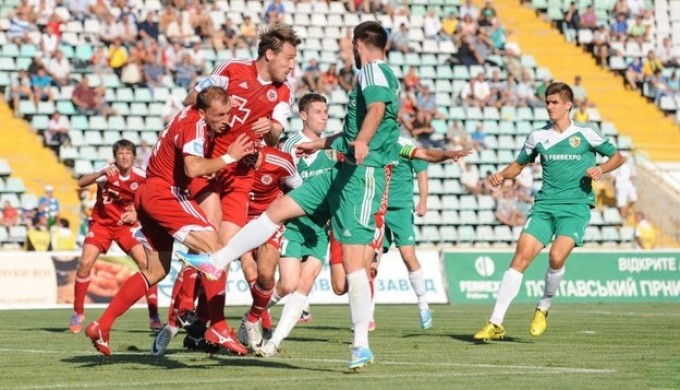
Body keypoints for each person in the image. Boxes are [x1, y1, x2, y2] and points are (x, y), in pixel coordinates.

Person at [84, 87, 255, 357]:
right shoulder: (195, 124)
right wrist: (230, 156)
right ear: (202, 112)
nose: (226, 119)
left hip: (147, 193)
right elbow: (193, 168)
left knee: (155, 272)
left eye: (228, 112)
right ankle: (218, 325)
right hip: (166, 192)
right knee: (216, 246)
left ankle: (102, 325)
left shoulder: (187, 114)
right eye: (219, 114)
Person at [179, 24, 300, 350]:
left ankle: (201, 325)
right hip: (208, 166)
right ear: (269, 53)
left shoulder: (285, 88)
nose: (292, 66)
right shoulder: (231, 68)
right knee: (211, 242)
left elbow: (276, 133)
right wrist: (211, 95)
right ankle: (191, 308)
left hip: (240, 176)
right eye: (289, 58)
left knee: (224, 251)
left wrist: (270, 128)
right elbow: (190, 100)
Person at [473, 82, 623, 341]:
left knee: (555, 257)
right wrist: (501, 175)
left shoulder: (586, 133)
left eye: (555, 102)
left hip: (575, 207)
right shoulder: (537, 136)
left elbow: (617, 157)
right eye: (547, 102)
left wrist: (602, 169)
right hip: (544, 207)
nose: (550, 107)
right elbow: (518, 165)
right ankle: (495, 322)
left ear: (568, 105)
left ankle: (544, 306)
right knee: (519, 259)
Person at [69, 140, 162, 334]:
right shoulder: (107, 173)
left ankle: (154, 315)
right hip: (101, 225)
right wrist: (100, 173)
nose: (124, 156)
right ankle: (78, 313)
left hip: (125, 227)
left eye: (128, 153)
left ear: (133, 156)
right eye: (120, 153)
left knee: (147, 265)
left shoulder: (141, 176)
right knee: (85, 263)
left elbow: (151, 199)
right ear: (115, 156)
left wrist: (137, 214)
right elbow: (80, 183)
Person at [378, 137, 433, 330]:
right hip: (378, 210)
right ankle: (367, 315)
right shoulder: (375, 144)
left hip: (401, 208)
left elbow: (422, 170)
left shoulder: (405, 145)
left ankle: (423, 306)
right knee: (371, 262)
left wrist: (423, 201)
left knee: (408, 256)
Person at [611, 152, 636, 219]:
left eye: (625, 158)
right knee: (622, 203)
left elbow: (632, 176)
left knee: (633, 198)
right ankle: (623, 216)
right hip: (620, 185)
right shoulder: (616, 165)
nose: (625, 159)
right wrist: (612, 185)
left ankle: (626, 210)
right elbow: (613, 176)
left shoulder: (630, 165)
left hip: (628, 183)